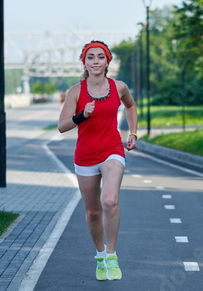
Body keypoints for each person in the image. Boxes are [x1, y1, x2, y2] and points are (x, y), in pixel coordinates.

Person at [58, 40, 138, 281]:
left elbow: (131, 106)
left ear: (107, 62)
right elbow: (61, 126)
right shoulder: (76, 91)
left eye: (100, 57)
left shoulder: (119, 87)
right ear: (84, 62)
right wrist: (82, 115)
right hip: (85, 155)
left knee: (110, 201)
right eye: (90, 57)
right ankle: (100, 255)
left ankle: (112, 256)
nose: (95, 61)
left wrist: (132, 132)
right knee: (93, 212)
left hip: (112, 149)